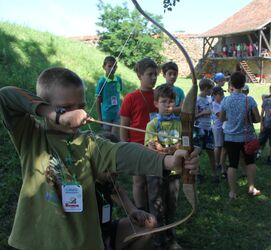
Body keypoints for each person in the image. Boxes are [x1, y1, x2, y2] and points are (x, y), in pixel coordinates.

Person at [0, 67, 199, 250]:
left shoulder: (90, 143)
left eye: (81, 106)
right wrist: (57, 115)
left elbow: (123, 152)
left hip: (84, 243)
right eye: (66, 107)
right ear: (46, 106)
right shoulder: (31, 137)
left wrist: (168, 162)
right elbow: (6, 96)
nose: (78, 113)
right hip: (37, 242)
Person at [96, 131, 156, 250]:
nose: (115, 171)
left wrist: (132, 210)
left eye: (116, 163)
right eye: (109, 164)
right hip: (91, 237)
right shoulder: (85, 185)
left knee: (148, 223)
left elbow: (116, 189)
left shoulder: (108, 180)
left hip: (106, 231)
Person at [144, 84, 183, 250]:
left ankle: (170, 237)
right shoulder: (152, 125)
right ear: (156, 103)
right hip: (156, 171)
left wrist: (173, 149)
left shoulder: (178, 124)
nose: (168, 105)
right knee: (157, 204)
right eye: (164, 102)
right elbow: (150, 144)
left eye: (171, 102)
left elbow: (182, 143)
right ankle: (159, 238)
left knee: (171, 204)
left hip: (174, 171)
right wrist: (159, 148)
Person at [119, 58, 159, 211]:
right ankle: (141, 210)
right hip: (136, 144)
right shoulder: (131, 97)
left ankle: (154, 207)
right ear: (140, 76)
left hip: (156, 144)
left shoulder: (159, 96)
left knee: (154, 179)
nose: (154, 78)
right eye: (150, 74)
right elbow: (124, 124)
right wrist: (124, 145)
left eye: (155, 74)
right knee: (139, 181)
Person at [220, 71, 261, 199]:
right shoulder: (249, 100)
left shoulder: (226, 100)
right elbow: (258, 119)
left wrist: (232, 118)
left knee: (232, 164)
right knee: (250, 162)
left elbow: (221, 118)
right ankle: (251, 187)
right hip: (247, 137)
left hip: (230, 137)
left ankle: (232, 192)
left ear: (231, 84)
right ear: (244, 84)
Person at [194, 78, 217, 182]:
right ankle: (197, 174)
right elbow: (193, 116)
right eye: (211, 89)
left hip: (208, 128)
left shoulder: (209, 99)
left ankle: (214, 173)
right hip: (199, 129)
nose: (212, 91)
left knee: (211, 151)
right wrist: (203, 113)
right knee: (196, 153)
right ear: (206, 89)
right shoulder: (196, 100)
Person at [95, 56, 123, 135]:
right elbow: (98, 100)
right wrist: (100, 117)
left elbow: (118, 94)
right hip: (106, 115)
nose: (112, 69)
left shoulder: (118, 80)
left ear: (116, 67)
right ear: (104, 67)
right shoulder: (102, 82)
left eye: (114, 67)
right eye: (109, 66)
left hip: (117, 114)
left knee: (114, 137)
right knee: (106, 137)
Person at [211, 86, 226, 179]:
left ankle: (221, 162)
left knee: (221, 146)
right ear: (214, 95)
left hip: (222, 127)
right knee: (218, 146)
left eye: (223, 94)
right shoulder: (214, 105)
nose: (222, 96)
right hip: (217, 127)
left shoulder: (220, 103)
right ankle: (217, 163)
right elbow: (221, 117)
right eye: (220, 94)